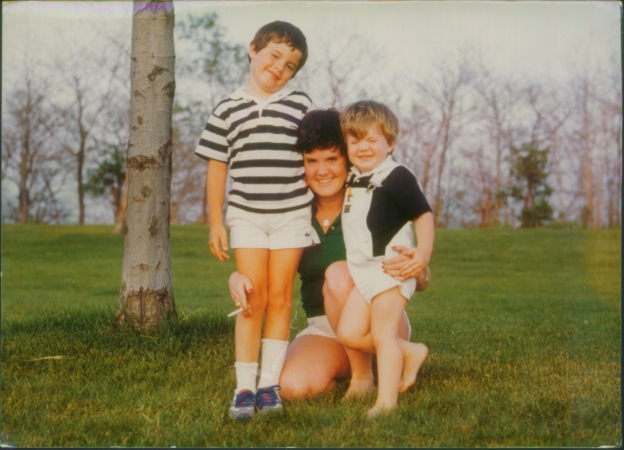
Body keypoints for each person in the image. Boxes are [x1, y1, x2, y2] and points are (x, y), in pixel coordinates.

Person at [229, 109, 429, 402]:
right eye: (312, 161)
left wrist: (418, 269)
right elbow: (268, 271)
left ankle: (364, 376)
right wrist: (238, 277)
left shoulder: (372, 199)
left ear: (346, 158)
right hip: (324, 327)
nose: (322, 171)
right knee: (293, 386)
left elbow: (416, 271)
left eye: (332, 159)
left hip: (377, 321)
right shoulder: (293, 214)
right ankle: (378, 359)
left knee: (338, 274)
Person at [194, 21, 317, 420]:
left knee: (280, 298)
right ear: (253, 50)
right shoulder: (227, 108)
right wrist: (216, 222)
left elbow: (315, 158)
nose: (279, 68)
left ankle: (269, 386)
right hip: (246, 215)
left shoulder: (301, 105)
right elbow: (217, 167)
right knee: (252, 299)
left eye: (290, 65)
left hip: (291, 215)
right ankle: (243, 388)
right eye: (274, 56)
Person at [337, 100, 434, 418]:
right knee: (349, 334)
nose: (362, 147)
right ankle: (411, 351)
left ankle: (386, 403)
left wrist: (422, 255)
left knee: (382, 335)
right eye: (355, 141)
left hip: (392, 268)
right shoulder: (351, 177)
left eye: (371, 140)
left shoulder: (397, 176)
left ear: (390, 144)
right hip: (364, 272)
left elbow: (424, 216)